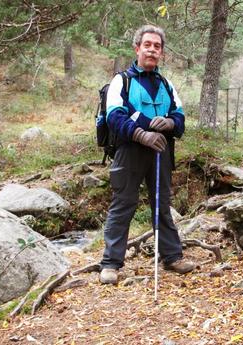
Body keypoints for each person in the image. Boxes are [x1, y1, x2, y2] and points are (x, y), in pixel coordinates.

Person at [100, 25, 195, 284]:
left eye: (157, 46)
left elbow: (180, 118)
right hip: (129, 151)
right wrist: (142, 134)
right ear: (137, 48)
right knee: (123, 204)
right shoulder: (122, 80)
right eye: (148, 45)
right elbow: (114, 116)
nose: (152, 50)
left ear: (161, 52)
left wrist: (171, 124)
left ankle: (172, 257)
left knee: (162, 204)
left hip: (161, 152)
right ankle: (110, 264)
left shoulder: (166, 84)